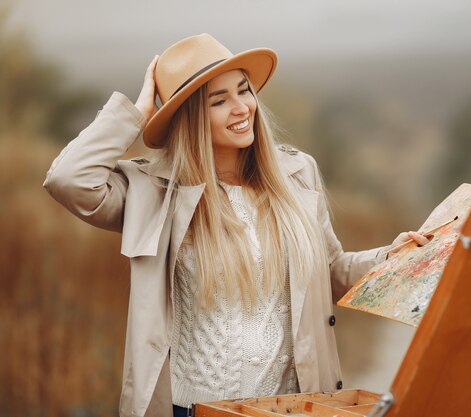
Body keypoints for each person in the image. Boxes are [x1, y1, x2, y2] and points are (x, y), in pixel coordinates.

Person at [43, 34, 429, 417]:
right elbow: (69, 180)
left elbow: (329, 270)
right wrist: (138, 113)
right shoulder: (155, 192)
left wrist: (391, 258)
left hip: (289, 407)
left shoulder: (297, 173)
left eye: (244, 91)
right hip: (191, 409)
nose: (242, 107)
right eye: (219, 101)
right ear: (189, 118)